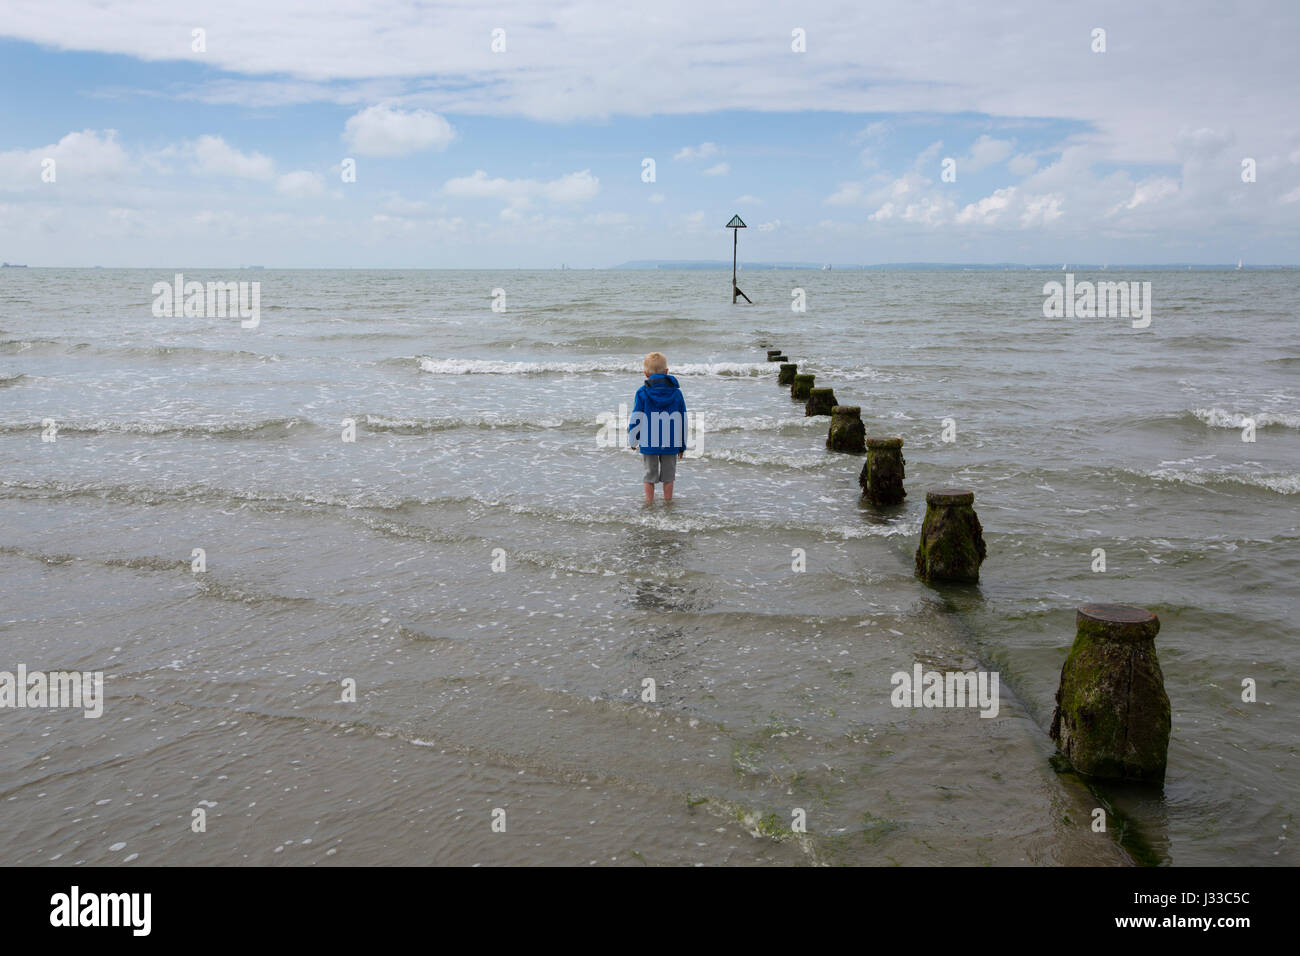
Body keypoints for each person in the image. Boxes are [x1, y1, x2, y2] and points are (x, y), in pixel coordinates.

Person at [628, 352, 687, 502]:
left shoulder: (642, 392)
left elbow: (637, 416)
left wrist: (633, 439)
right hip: (671, 442)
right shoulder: (676, 394)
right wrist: (682, 445)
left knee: (649, 475)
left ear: (645, 373)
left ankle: (649, 503)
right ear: (667, 372)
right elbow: (682, 420)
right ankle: (668, 504)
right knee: (668, 477)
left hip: (649, 441)